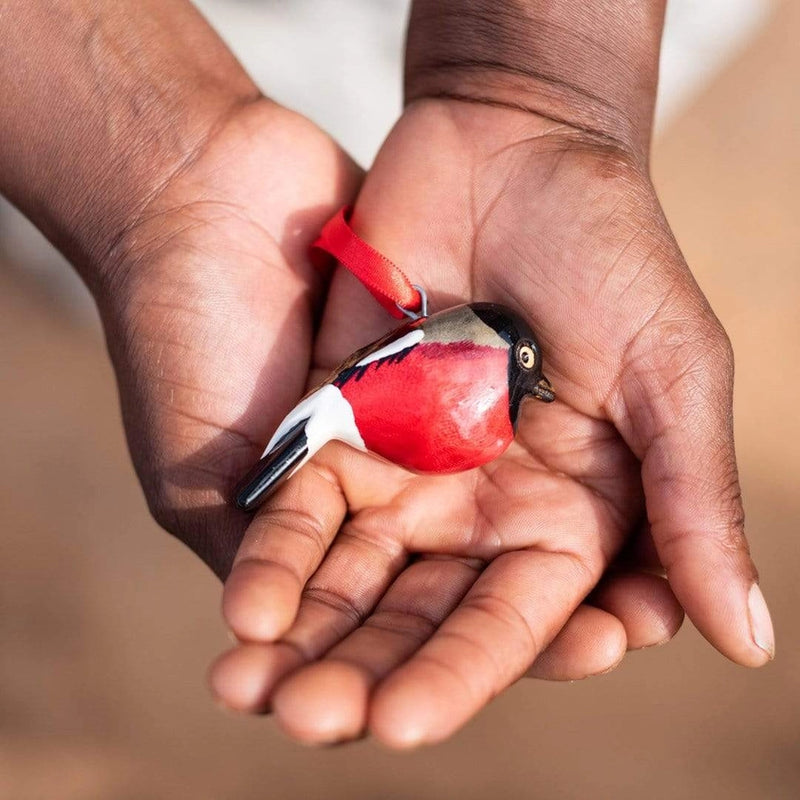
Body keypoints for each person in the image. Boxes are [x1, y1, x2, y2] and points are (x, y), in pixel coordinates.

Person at [0, 0, 774, 749]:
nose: (533, 382)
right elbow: (379, 373)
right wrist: (152, 185)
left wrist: (544, 81)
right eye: (529, 366)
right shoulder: (462, 355)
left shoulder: (486, 391)